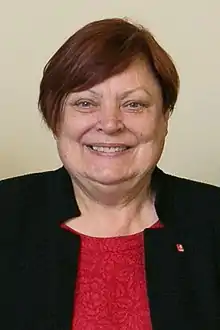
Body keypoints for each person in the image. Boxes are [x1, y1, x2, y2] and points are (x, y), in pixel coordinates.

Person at [1, 18, 220, 330]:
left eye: (133, 104)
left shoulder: (213, 219)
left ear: (164, 117)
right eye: (86, 103)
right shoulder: (5, 213)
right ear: (56, 119)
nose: (110, 123)